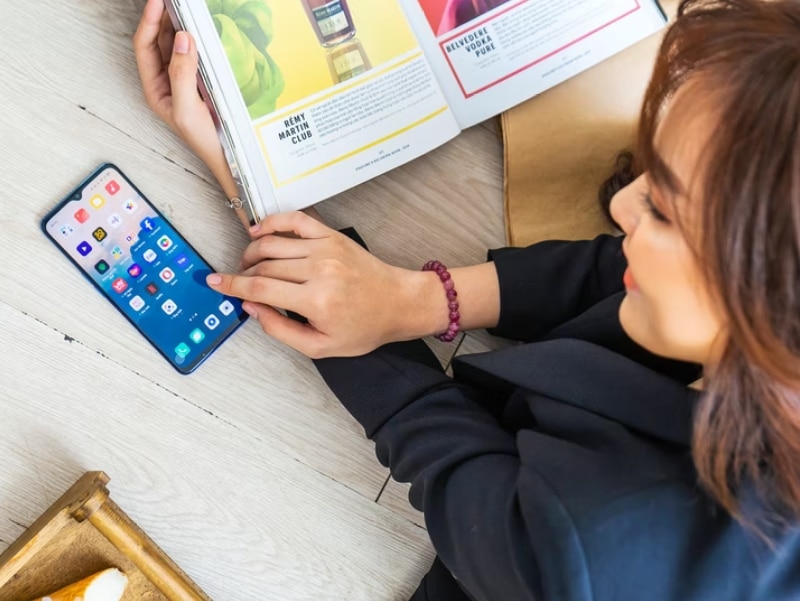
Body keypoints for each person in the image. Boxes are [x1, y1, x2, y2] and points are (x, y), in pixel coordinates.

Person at [134, 0, 800, 598]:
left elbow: (449, 456)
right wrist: (422, 298)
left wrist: (247, 172)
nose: (621, 204)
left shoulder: (597, 556)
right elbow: (613, 268)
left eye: (662, 208)